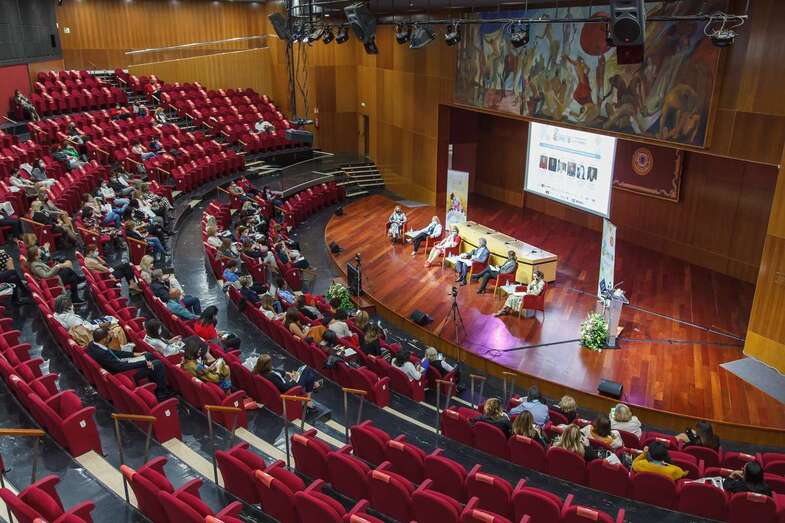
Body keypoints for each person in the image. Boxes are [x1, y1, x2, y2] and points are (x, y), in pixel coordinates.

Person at [87, 327, 170, 401]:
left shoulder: (93, 344)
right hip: (124, 372)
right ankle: (162, 392)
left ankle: (156, 382)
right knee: (158, 364)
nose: (110, 337)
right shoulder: (101, 353)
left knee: (149, 355)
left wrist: (133, 354)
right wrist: (144, 363)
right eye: (108, 336)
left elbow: (113, 352)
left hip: (120, 363)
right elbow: (120, 367)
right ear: (104, 339)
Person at [253, 353, 321, 393]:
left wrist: (287, 373)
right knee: (307, 370)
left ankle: (313, 385)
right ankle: (313, 387)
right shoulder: (272, 377)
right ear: (268, 365)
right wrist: (294, 380)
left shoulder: (261, 370)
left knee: (309, 375)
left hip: (288, 384)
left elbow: (276, 371)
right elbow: (285, 388)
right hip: (292, 389)